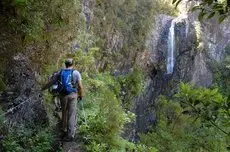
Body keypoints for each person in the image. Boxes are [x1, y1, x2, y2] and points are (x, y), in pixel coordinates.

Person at [42, 58, 84, 142]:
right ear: (73, 64)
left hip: (63, 95)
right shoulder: (76, 73)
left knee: (64, 112)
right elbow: (80, 86)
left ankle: (63, 130)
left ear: (65, 64)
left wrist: (42, 88)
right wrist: (81, 95)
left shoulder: (60, 73)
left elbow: (51, 82)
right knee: (71, 114)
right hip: (73, 95)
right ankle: (70, 135)